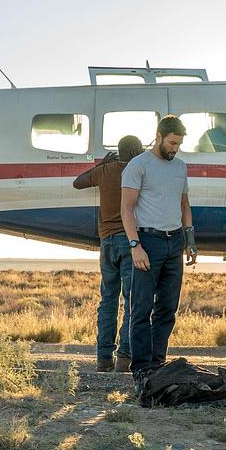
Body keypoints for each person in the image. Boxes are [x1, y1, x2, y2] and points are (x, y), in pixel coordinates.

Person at [121, 115, 197, 382]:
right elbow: (127, 208)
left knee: (167, 307)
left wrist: (190, 238)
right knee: (141, 308)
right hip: (147, 242)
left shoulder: (180, 167)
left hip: (174, 241)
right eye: (172, 143)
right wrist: (135, 246)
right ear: (159, 135)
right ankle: (141, 368)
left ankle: (157, 363)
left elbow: (184, 204)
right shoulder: (138, 165)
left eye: (179, 144)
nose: (175, 149)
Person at [73, 135, 145, 373]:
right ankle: (124, 356)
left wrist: (100, 165)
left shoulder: (104, 172)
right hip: (129, 240)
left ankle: (103, 358)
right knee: (132, 301)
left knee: (108, 301)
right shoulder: (137, 171)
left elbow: (78, 182)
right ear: (135, 153)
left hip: (107, 242)